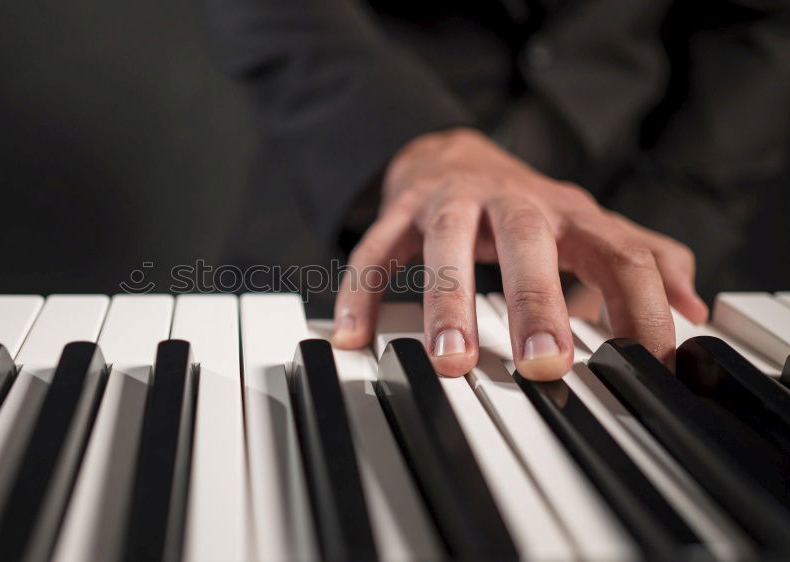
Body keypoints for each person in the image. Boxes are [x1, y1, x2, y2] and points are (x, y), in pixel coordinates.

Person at [201, 0, 790, 380]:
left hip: (623, 216)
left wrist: (671, 212)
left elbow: (752, 31)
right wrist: (422, 143)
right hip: (342, 212)